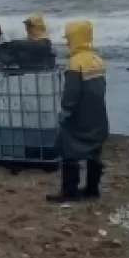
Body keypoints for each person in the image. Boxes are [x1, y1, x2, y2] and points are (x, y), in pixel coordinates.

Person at [49, 20, 109, 203]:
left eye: (69, 38)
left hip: (79, 118)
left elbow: (71, 94)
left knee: (68, 150)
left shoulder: (75, 63)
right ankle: (92, 189)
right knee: (94, 152)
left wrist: (65, 112)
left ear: (75, 38)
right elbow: (101, 89)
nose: (67, 42)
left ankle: (69, 192)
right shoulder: (97, 60)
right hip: (98, 117)